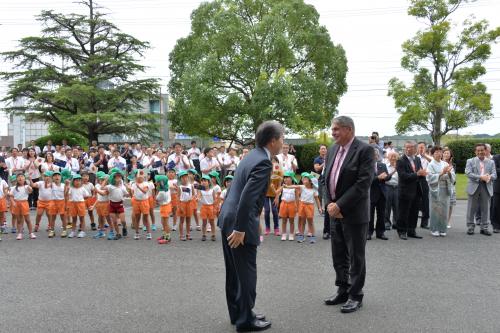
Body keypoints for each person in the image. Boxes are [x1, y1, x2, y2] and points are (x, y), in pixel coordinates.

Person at [218, 120, 283, 331]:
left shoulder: (251, 156)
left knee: (234, 272)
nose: (283, 142)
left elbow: (238, 190)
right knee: (246, 272)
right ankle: (246, 321)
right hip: (239, 223)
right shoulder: (264, 162)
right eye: (282, 138)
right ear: (273, 141)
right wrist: (240, 229)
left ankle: (238, 313)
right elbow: (247, 197)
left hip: (228, 216)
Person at [323, 116, 374, 314]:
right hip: (334, 212)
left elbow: (363, 183)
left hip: (354, 214)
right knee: (338, 255)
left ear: (349, 130)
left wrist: (340, 205)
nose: (333, 133)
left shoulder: (365, 150)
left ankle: (355, 295)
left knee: (356, 256)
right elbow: (325, 179)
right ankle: (342, 289)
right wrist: (329, 203)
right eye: (332, 129)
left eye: (336, 129)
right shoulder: (333, 149)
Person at [396, 141, 427, 240]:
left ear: (415, 148)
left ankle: (411, 230)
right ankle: (401, 231)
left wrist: (422, 174)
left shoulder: (417, 159)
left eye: (411, 147)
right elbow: (403, 176)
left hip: (416, 190)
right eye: (407, 147)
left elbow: (419, 171)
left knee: (414, 212)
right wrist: (417, 174)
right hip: (405, 191)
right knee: (403, 212)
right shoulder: (401, 160)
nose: (408, 149)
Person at [465, 143, 497, 235]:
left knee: (486, 208)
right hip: (474, 186)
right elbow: (468, 173)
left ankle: (484, 227)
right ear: (475, 151)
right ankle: (470, 226)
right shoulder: (470, 161)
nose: (480, 152)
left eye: (482, 150)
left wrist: (489, 177)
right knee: (471, 208)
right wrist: (481, 177)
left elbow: (495, 175)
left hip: (486, 186)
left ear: (486, 151)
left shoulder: (491, 162)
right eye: (478, 150)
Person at [426, 146, 455, 237]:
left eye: (440, 152)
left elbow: (453, 176)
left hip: (445, 188)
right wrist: (441, 173)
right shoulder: (431, 164)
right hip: (436, 189)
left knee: (444, 208)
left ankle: (442, 228)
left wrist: (449, 173)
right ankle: (434, 229)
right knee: (435, 209)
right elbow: (429, 177)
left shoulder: (445, 163)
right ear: (432, 154)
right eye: (436, 152)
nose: (439, 154)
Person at [368, 149, 390, 240]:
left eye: (376, 155)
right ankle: (368, 232)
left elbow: (388, 177)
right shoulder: (366, 166)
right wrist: (378, 178)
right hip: (371, 193)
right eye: (373, 155)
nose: (375, 156)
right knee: (370, 214)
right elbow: (366, 180)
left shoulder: (383, 165)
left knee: (381, 214)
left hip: (382, 193)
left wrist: (388, 176)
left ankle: (380, 232)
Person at [295, 172, 322, 244]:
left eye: (305, 179)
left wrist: (319, 208)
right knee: (302, 222)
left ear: (310, 181)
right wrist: (286, 186)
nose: (303, 180)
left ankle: (313, 236)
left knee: (310, 222)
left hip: (310, 206)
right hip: (302, 205)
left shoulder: (314, 190)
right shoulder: (302, 187)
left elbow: (317, 199)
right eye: (303, 179)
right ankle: (301, 236)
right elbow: (294, 187)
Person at [9, 174, 36, 240]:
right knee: (19, 220)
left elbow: (30, 191)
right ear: (16, 179)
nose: (20, 178)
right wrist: (13, 202)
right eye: (18, 177)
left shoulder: (26, 186)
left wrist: (30, 180)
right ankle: (19, 233)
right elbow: (11, 196)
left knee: (27, 219)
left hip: (24, 203)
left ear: (24, 179)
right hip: (17, 204)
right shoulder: (13, 188)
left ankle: (31, 233)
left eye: (22, 177)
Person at [276, 171, 298, 241]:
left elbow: (297, 198)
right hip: (283, 204)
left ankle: (291, 234)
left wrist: (297, 206)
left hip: (292, 204)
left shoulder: (295, 187)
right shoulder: (283, 186)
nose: (285, 179)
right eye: (284, 178)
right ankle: (284, 234)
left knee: (291, 220)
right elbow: (277, 192)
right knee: (284, 220)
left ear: (292, 178)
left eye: (287, 177)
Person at [263, 156, 282, 236]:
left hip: (275, 194)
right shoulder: (265, 170)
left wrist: (277, 197)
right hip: (265, 194)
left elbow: (280, 185)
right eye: (271, 161)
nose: (273, 163)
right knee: (266, 211)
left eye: (275, 161)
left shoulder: (279, 171)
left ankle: (276, 228)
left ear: (277, 162)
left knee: (275, 211)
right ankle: (267, 228)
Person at [416, 142, 431, 229]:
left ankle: (424, 223)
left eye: (422, 147)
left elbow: (433, 162)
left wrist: (424, 155)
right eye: (419, 148)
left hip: (425, 181)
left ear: (425, 148)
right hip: (416, 179)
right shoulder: (415, 158)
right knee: (415, 201)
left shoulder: (429, 158)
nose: (421, 149)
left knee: (426, 202)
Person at [199, 175, 217, 241]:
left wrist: (215, 208)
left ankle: (213, 234)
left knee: (212, 222)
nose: (203, 182)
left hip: (211, 207)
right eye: (202, 181)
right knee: (204, 222)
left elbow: (215, 199)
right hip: (204, 207)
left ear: (209, 182)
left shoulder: (212, 190)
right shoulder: (201, 191)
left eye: (205, 181)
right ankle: (204, 234)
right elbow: (199, 197)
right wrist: (197, 198)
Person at [155, 175, 172, 244]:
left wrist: (157, 190)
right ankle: (165, 235)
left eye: (157, 181)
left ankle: (167, 238)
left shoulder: (161, 192)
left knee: (165, 223)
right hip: (166, 206)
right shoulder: (166, 187)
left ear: (161, 183)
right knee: (163, 222)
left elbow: (157, 199)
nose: (156, 182)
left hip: (165, 207)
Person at [384, 152, 399, 230]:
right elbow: (385, 177)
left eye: (395, 156)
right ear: (388, 157)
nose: (393, 158)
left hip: (397, 187)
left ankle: (396, 222)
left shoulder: (399, 166)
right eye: (391, 156)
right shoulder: (385, 166)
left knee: (397, 206)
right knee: (387, 206)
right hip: (388, 187)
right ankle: (386, 222)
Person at [177, 170, 194, 241]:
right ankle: (181, 234)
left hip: (189, 203)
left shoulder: (191, 185)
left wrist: (192, 198)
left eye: (186, 177)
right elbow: (178, 197)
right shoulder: (180, 187)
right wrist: (180, 206)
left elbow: (193, 194)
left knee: (188, 219)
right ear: (180, 179)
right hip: (182, 203)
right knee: (182, 220)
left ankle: (188, 233)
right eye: (182, 177)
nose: (184, 179)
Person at [443, 148, 457, 228]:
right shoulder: (439, 163)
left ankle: (448, 221)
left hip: (451, 186)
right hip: (441, 186)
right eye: (444, 153)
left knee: (450, 205)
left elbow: (454, 178)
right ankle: (441, 220)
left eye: (448, 153)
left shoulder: (453, 165)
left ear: (450, 155)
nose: (446, 155)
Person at [492, 153, 500, 233]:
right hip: (498, 187)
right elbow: (494, 170)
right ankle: (496, 226)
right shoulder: (496, 157)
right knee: (496, 207)